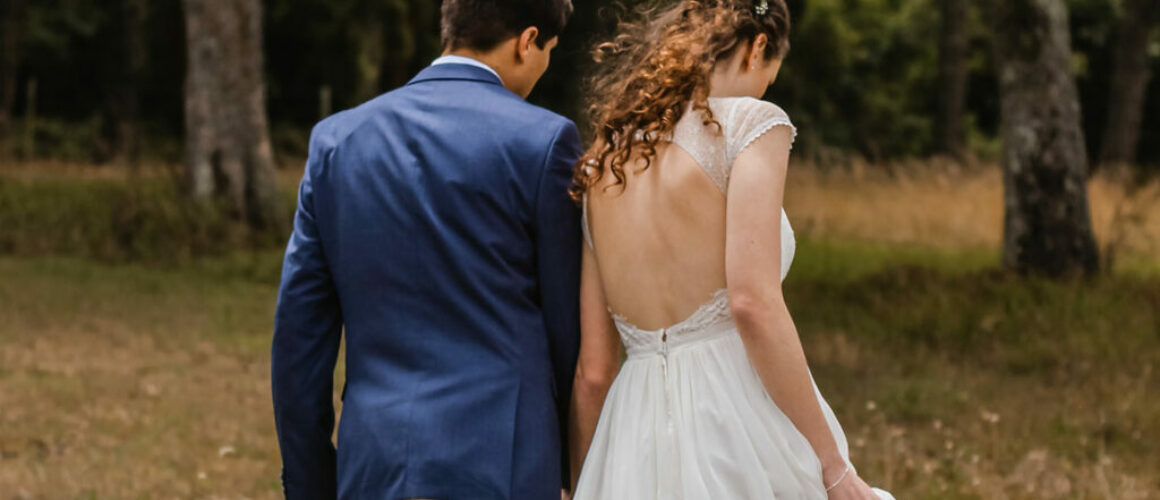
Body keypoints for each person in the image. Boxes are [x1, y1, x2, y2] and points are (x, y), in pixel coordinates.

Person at [567, 1, 895, 498]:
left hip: (629, 436)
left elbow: (593, 372)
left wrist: (582, 482)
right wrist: (833, 467)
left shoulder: (602, 163)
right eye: (770, 73)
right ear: (758, 46)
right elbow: (752, 304)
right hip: (733, 416)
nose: (767, 87)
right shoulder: (750, 125)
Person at [270, 1, 581, 499]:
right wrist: (573, 467)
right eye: (549, 51)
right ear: (527, 41)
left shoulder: (335, 143)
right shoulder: (544, 143)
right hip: (506, 462)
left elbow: (298, 339)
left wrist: (308, 483)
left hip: (375, 461)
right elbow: (567, 331)